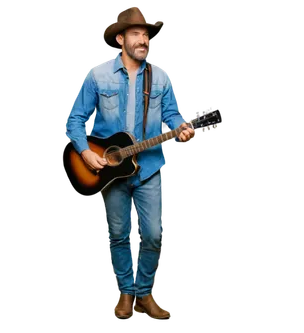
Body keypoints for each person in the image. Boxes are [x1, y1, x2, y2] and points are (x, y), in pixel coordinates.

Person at [64, 4, 195, 320]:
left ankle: (143, 293)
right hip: (109, 169)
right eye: (136, 33)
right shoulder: (98, 75)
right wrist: (85, 152)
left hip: (149, 167)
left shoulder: (160, 78)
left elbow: (173, 117)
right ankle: (124, 295)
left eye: (147, 35)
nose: (144, 39)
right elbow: (75, 120)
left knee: (152, 234)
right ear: (120, 39)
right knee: (119, 233)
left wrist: (184, 129)